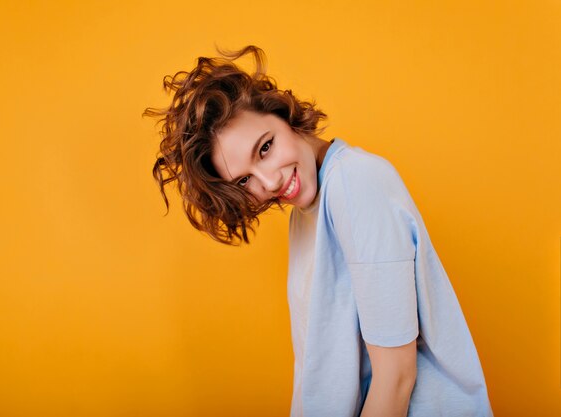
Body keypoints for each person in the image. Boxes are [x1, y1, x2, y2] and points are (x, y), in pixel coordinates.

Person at [143, 45, 494, 417]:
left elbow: (396, 378)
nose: (270, 182)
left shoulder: (354, 182)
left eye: (265, 147)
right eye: (244, 179)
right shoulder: (309, 206)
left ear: (283, 116)